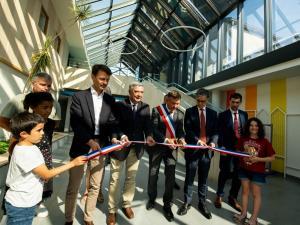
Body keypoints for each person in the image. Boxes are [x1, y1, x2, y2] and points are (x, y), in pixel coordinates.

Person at [4, 112, 86, 225]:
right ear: (23, 134)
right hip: (21, 204)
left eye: (42, 129)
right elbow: (47, 174)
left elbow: (38, 171)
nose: (42, 133)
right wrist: (73, 163)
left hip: (25, 201)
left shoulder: (29, 146)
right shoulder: (26, 152)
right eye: (38, 130)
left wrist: (42, 176)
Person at [64, 64, 116, 225]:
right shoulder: (79, 97)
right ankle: (68, 219)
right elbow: (76, 124)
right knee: (74, 187)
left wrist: (114, 137)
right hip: (82, 145)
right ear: (92, 77)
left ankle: (88, 217)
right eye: (101, 78)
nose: (104, 82)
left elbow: (112, 122)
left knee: (95, 185)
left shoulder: (110, 99)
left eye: (107, 79)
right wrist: (90, 141)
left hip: (100, 147)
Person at [106, 82, 155, 225]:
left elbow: (148, 125)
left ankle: (126, 204)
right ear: (130, 92)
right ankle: (112, 210)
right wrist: (121, 136)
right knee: (115, 179)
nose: (139, 94)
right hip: (120, 148)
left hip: (137, 148)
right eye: (136, 92)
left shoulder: (145, 107)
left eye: (141, 92)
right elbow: (114, 123)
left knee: (131, 179)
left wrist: (150, 136)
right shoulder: (119, 105)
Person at [177, 88, 218, 220]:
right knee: (189, 177)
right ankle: (187, 203)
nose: (200, 104)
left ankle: (202, 203)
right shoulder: (189, 111)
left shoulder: (213, 113)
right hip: (193, 151)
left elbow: (216, 131)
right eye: (198, 101)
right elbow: (187, 130)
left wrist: (213, 142)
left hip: (206, 153)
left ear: (207, 100)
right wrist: (197, 141)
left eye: (203, 101)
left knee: (203, 179)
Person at [146, 90, 186, 222]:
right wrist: (165, 140)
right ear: (167, 100)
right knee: (153, 174)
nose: (175, 106)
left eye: (178, 103)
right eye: (173, 103)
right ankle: (152, 199)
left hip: (171, 150)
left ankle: (167, 205)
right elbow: (154, 128)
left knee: (170, 177)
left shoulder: (180, 114)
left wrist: (181, 139)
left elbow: (180, 131)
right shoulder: (157, 110)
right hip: (158, 147)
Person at [233, 118, 275, 225]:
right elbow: (237, 151)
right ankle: (243, 214)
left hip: (258, 172)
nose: (254, 127)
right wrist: (244, 151)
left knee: (256, 195)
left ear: (259, 128)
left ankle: (253, 219)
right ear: (248, 127)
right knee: (245, 192)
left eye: (256, 125)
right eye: (251, 125)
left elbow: (272, 157)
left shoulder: (264, 141)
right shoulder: (243, 139)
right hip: (244, 169)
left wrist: (258, 159)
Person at [215, 93, 248, 211]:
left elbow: (245, 133)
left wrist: (247, 147)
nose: (235, 104)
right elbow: (219, 132)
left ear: (240, 102)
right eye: (233, 102)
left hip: (240, 151)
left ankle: (232, 197)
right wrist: (221, 147)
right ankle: (219, 195)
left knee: (238, 175)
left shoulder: (244, 115)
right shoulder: (222, 115)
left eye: (237, 102)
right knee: (224, 172)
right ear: (229, 102)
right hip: (226, 149)